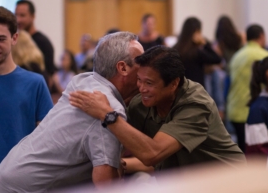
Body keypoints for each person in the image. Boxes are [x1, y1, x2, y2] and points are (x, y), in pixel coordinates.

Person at [0, 32, 144, 192]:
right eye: (142, 62)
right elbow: (106, 185)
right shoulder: (107, 108)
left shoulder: (84, 80)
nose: (146, 68)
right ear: (123, 67)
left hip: (4, 180)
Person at [70, 46, 246, 174]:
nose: (141, 88)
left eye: (149, 83)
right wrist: (116, 163)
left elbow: (152, 154)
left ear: (174, 83)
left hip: (229, 180)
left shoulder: (196, 105)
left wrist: (107, 114)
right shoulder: (141, 104)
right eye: (139, 80)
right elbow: (143, 154)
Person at [0, 6, 53, 193]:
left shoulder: (35, 84)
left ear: (14, 38)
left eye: (1, 38)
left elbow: (49, 141)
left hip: (24, 186)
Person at [227, 24, 268, 153]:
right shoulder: (266, 56)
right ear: (262, 36)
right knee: (256, 154)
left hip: (235, 110)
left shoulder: (236, 56)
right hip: (254, 111)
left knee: (241, 150)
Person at [173, 17, 221, 87]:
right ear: (196, 32)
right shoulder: (196, 53)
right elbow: (217, 59)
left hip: (180, 90)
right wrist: (205, 43)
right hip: (196, 91)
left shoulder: (175, 50)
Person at [15, 0, 56, 77]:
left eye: (22, 15)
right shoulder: (14, 41)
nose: (18, 19)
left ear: (32, 16)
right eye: (16, 15)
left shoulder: (43, 43)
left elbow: (49, 75)